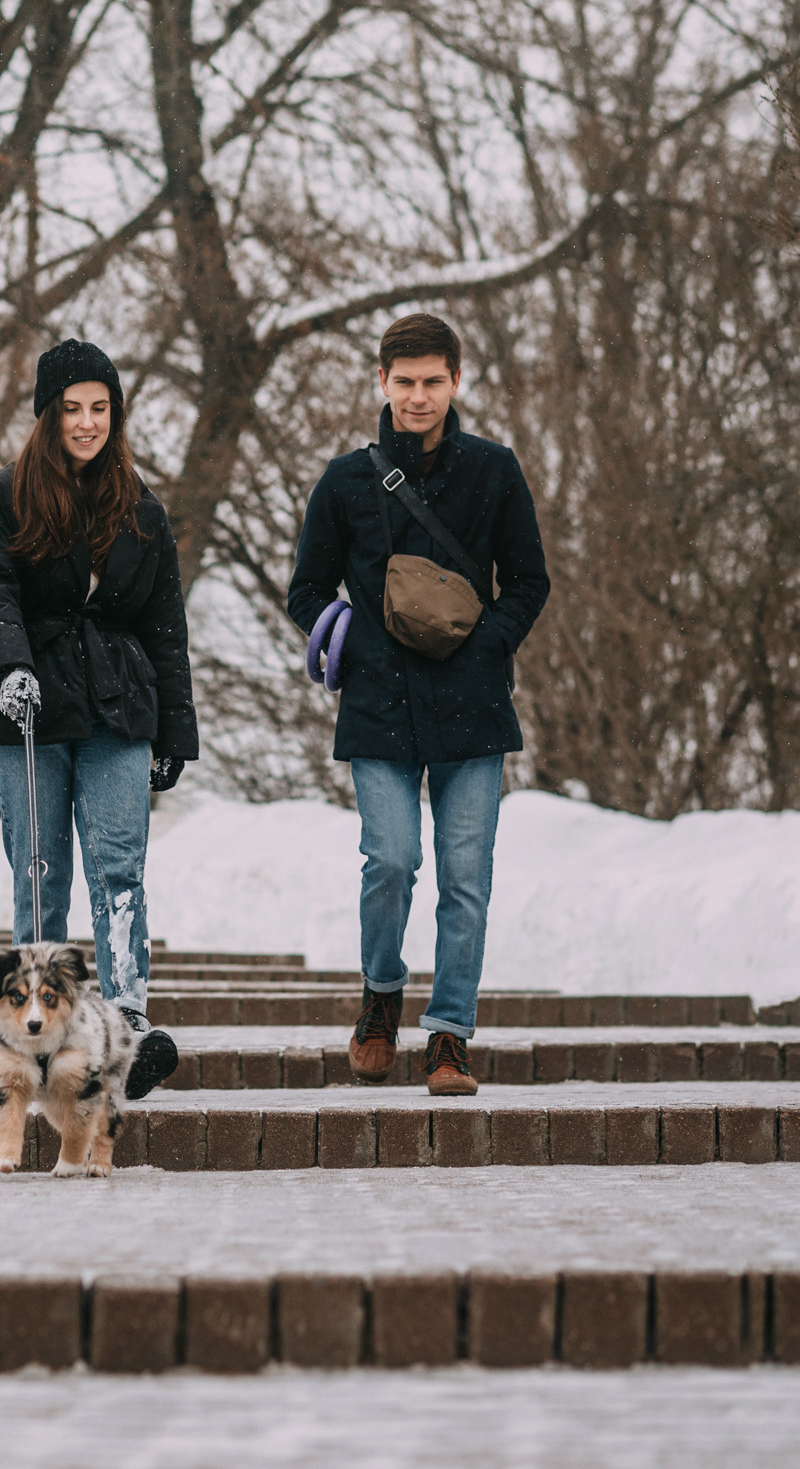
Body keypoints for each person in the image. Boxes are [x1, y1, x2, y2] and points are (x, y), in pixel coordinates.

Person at [287, 314, 550, 1096]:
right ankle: (380, 996)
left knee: (466, 875)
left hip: (473, 704)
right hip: (378, 705)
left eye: (434, 381)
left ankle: (448, 1038)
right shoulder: (345, 481)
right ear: (381, 383)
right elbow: (306, 589)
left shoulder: (496, 472)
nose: (419, 396)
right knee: (392, 862)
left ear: (456, 382)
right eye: (404, 382)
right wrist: (352, 643)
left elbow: (529, 582)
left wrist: (486, 644)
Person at [0, 338, 198, 1099]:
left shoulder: (142, 510)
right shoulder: (1, 499)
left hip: (118, 709)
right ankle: (40, 1032)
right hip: (28, 713)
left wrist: (175, 732)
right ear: (48, 415)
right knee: (40, 870)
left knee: (120, 869)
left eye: (101, 409)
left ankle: (123, 1027)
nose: (88, 422)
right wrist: (10, 669)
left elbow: (166, 626)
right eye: (73, 408)